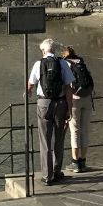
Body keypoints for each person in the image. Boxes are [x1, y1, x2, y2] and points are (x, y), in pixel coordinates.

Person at [27, 39, 74, 186]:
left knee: (45, 140)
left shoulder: (38, 64)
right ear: (54, 50)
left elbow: (31, 84)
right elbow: (69, 87)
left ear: (43, 51)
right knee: (59, 138)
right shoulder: (63, 64)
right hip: (60, 104)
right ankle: (57, 171)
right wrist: (69, 108)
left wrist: (28, 91)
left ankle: (47, 176)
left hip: (44, 104)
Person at [61, 45, 94, 173]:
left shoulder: (66, 64)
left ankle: (75, 163)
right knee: (84, 130)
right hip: (87, 98)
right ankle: (83, 161)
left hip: (74, 100)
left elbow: (66, 84)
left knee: (75, 131)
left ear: (64, 55)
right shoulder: (82, 62)